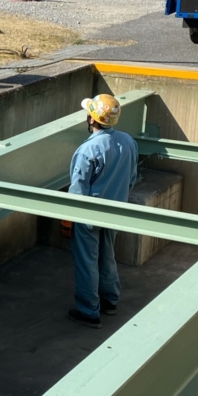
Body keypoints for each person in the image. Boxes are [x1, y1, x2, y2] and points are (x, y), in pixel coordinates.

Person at [67, 94, 138, 329]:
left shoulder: (87, 150)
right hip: (116, 211)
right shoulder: (128, 141)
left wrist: (69, 218)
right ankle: (110, 300)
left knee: (87, 261)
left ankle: (89, 311)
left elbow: (78, 190)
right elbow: (131, 178)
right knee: (107, 255)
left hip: (89, 215)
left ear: (91, 119)